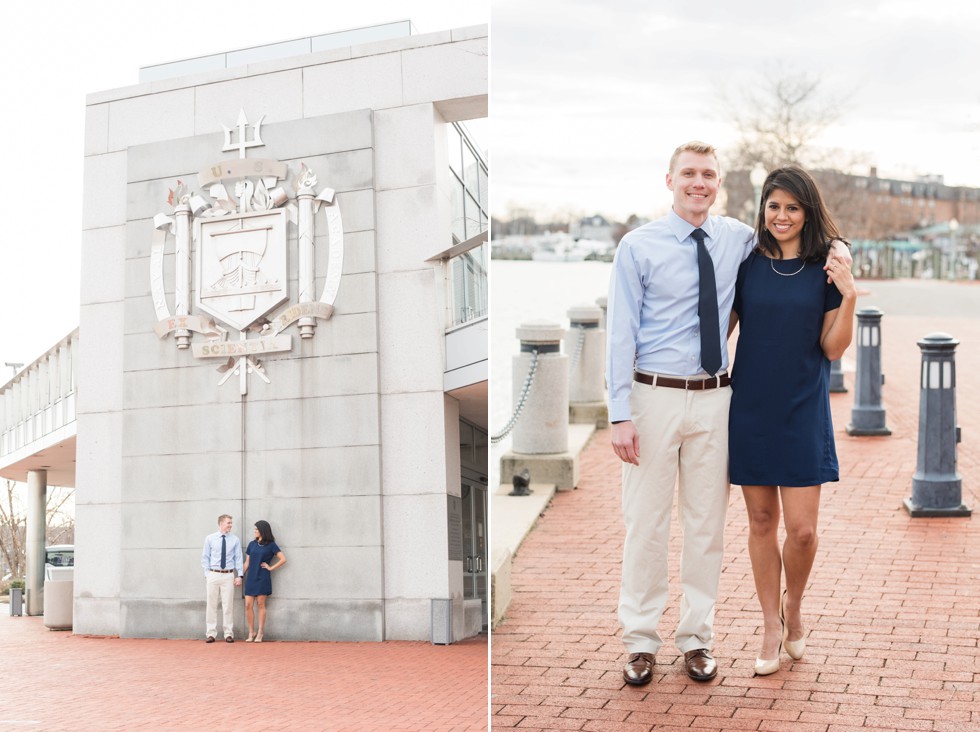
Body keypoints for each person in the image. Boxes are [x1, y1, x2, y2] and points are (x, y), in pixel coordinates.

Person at [606, 141, 850, 686]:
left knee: (706, 525)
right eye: (688, 173)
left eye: (709, 174)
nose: (699, 182)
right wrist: (619, 412)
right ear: (668, 179)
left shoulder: (738, 239)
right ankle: (641, 641)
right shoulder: (637, 247)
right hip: (654, 396)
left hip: (719, 397)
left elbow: (808, 238)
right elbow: (619, 333)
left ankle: (697, 640)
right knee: (646, 524)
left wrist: (844, 257)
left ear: (720, 184)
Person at [727, 166, 855, 675]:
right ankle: (769, 624)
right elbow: (721, 328)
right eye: (773, 206)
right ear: (763, 209)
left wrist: (848, 294)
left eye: (792, 207)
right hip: (751, 405)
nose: (781, 216)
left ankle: (794, 606)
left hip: (803, 408)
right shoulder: (747, 264)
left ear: (807, 212)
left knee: (801, 531)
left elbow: (833, 347)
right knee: (761, 522)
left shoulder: (826, 266)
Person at [201, 514, 244, 642]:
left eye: (231, 523)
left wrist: (239, 575)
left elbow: (238, 558)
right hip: (213, 574)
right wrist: (207, 574)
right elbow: (205, 557)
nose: (230, 525)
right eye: (228, 523)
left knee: (228, 605)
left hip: (228, 575)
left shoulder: (234, 540)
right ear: (220, 524)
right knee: (211, 604)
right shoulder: (210, 538)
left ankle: (228, 633)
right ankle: (211, 633)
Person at [243, 519, 286, 643]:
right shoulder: (252, 544)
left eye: (256, 529)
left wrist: (270, 568)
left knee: (260, 604)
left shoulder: (271, 545)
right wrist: (240, 576)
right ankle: (251, 632)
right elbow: (247, 562)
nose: (254, 531)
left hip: (263, 577)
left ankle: (260, 632)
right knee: (248, 605)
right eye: (255, 529)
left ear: (262, 530)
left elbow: (283, 559)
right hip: (251, 577)